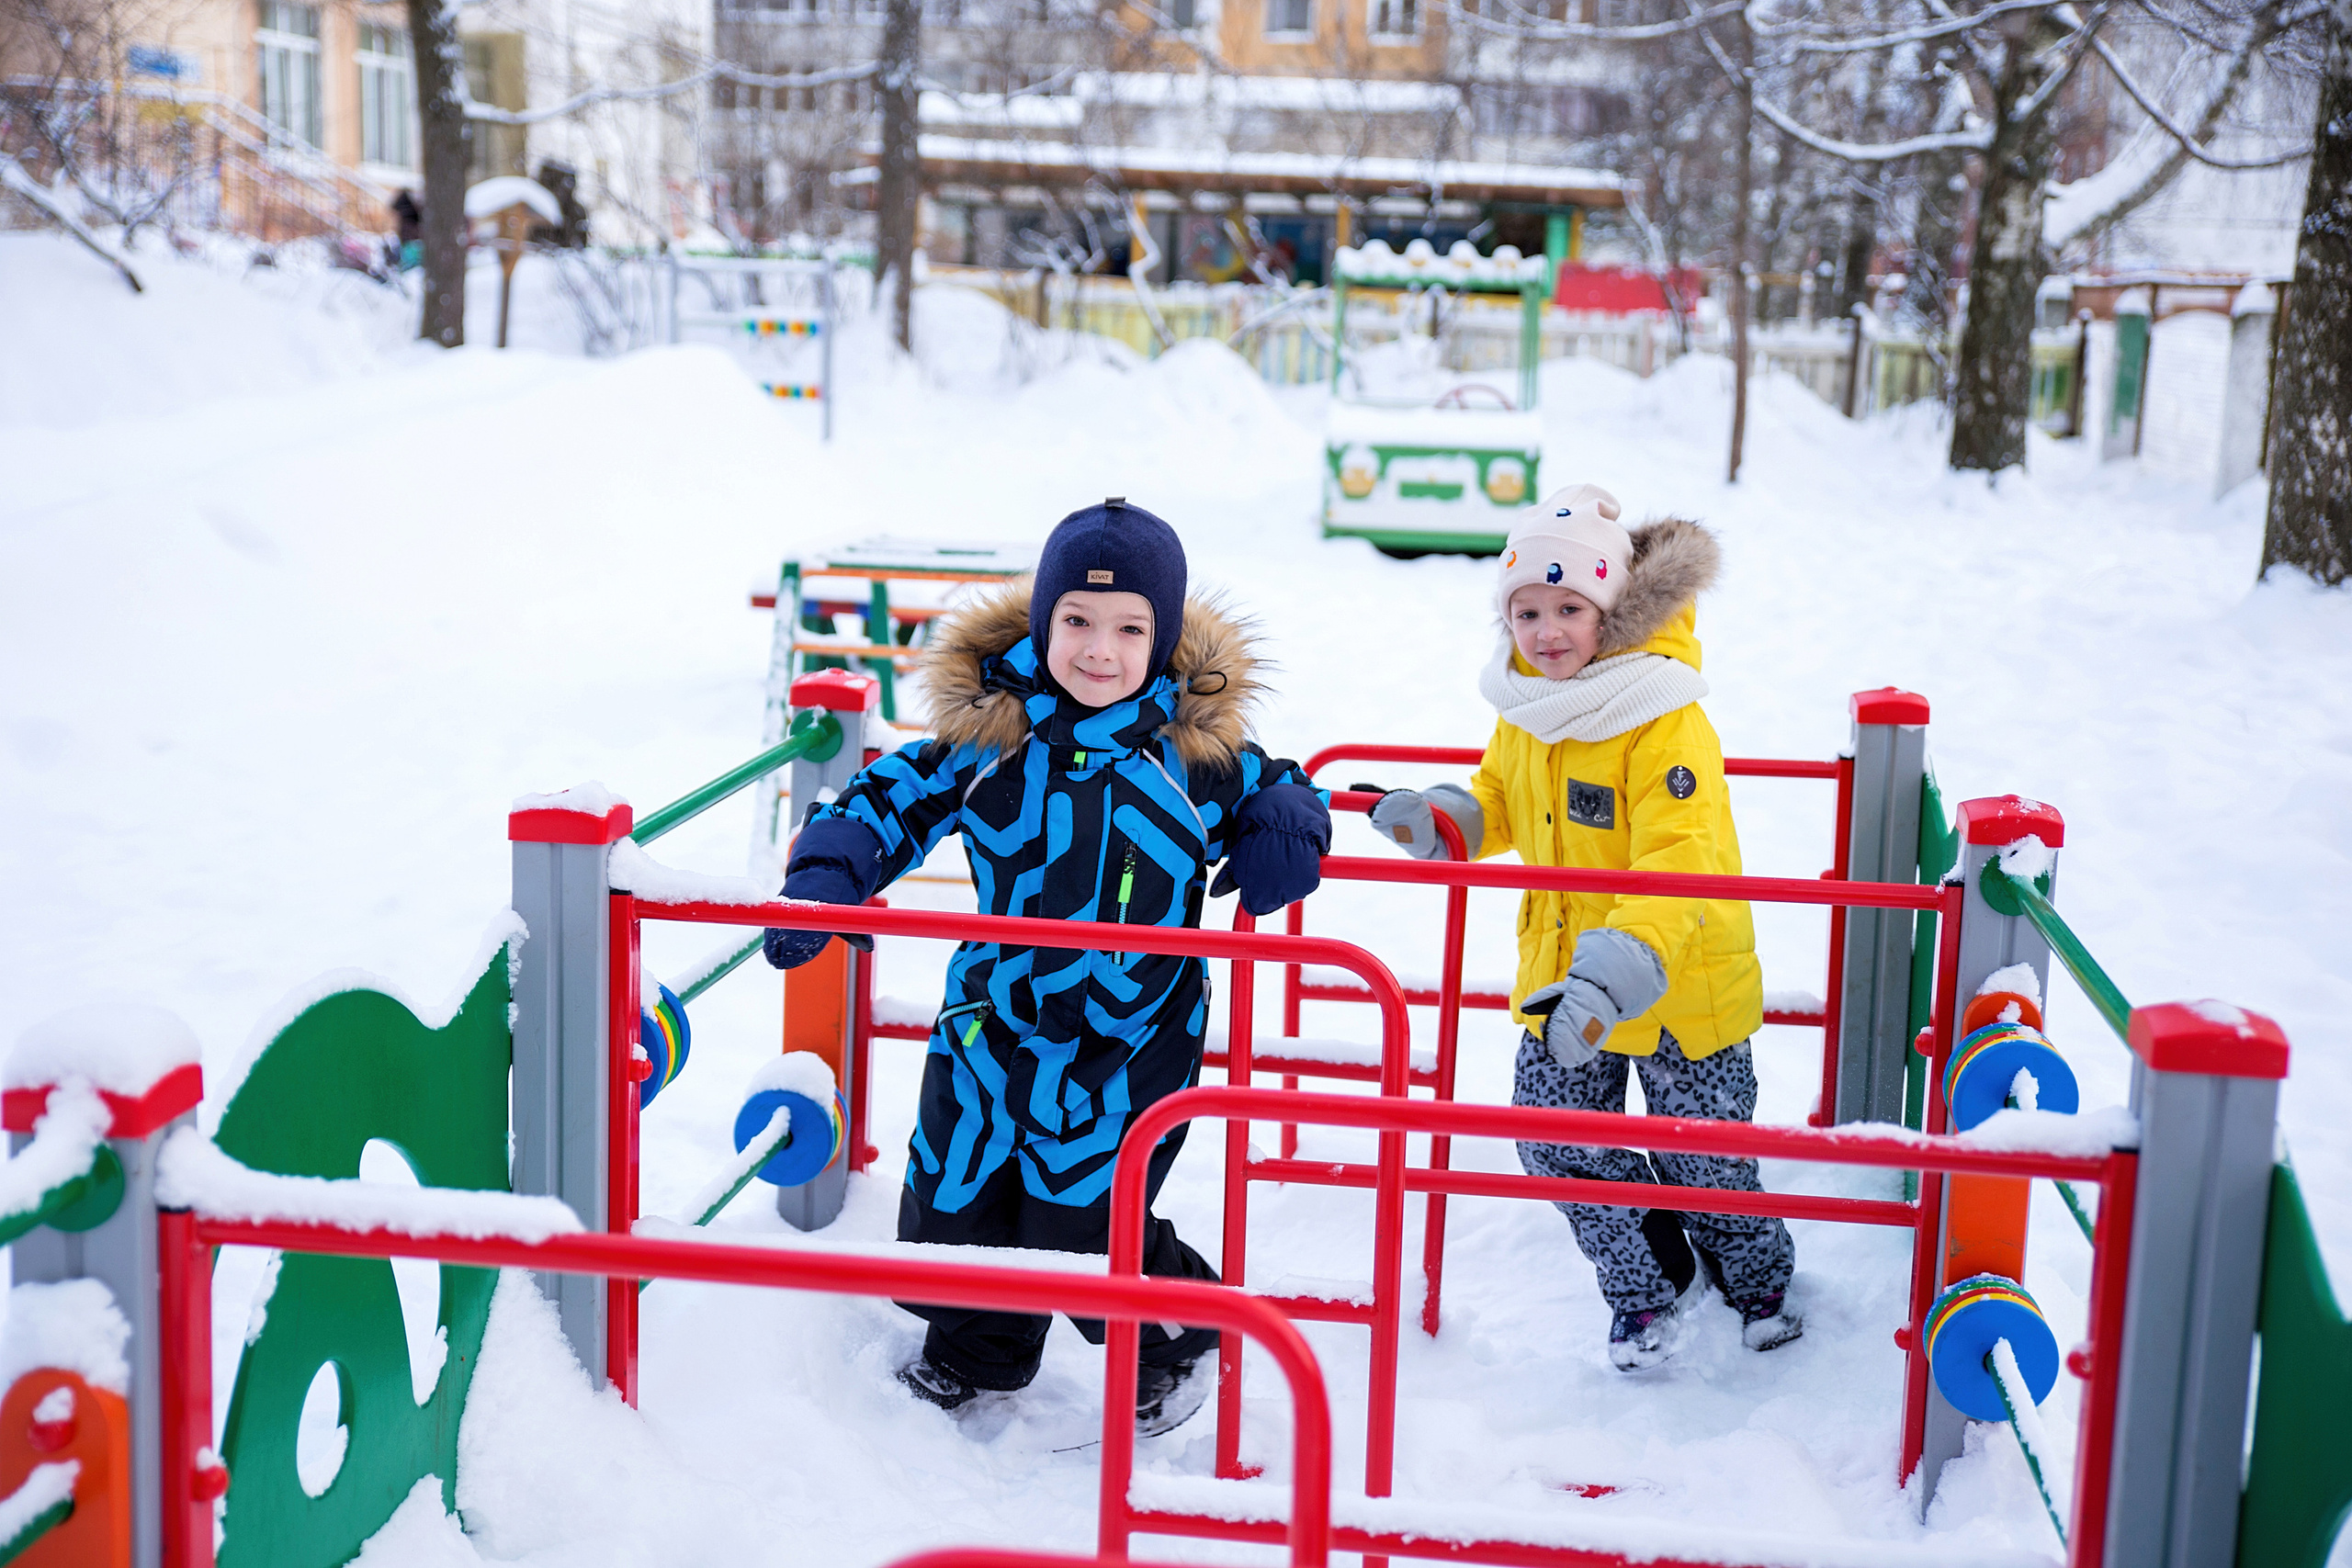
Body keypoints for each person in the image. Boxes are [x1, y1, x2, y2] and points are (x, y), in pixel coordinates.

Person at [763, 499, 1331, 1431]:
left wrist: (1285, 827)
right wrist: (832, 869)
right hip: (994, 1014)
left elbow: (1280, 785)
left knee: (1083, 1218)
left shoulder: (1190, 753)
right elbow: (889, 794)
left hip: (1132, 1031)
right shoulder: (995, 735)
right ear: (1042, 622)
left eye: (1128, 627)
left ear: (1164, 635)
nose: (1098, 649)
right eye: (1076, 620)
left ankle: (1179, 1336)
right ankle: (977, 1352)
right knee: (952, 1197)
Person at [1367, 483, 1799, 1371]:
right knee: (1555, 1137)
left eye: (1570, 607)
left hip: (1676, 975)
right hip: (1568, 977)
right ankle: (1644, 1288)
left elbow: (1681, 856)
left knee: (1705, 1158)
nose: (1546, 629)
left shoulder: (1662, 714)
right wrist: (1451, 821)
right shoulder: (1528, 706)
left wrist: (1625, 959)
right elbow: (1501, 797)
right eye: (1526, 610)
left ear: (1615, 610)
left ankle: (1756, 1276)